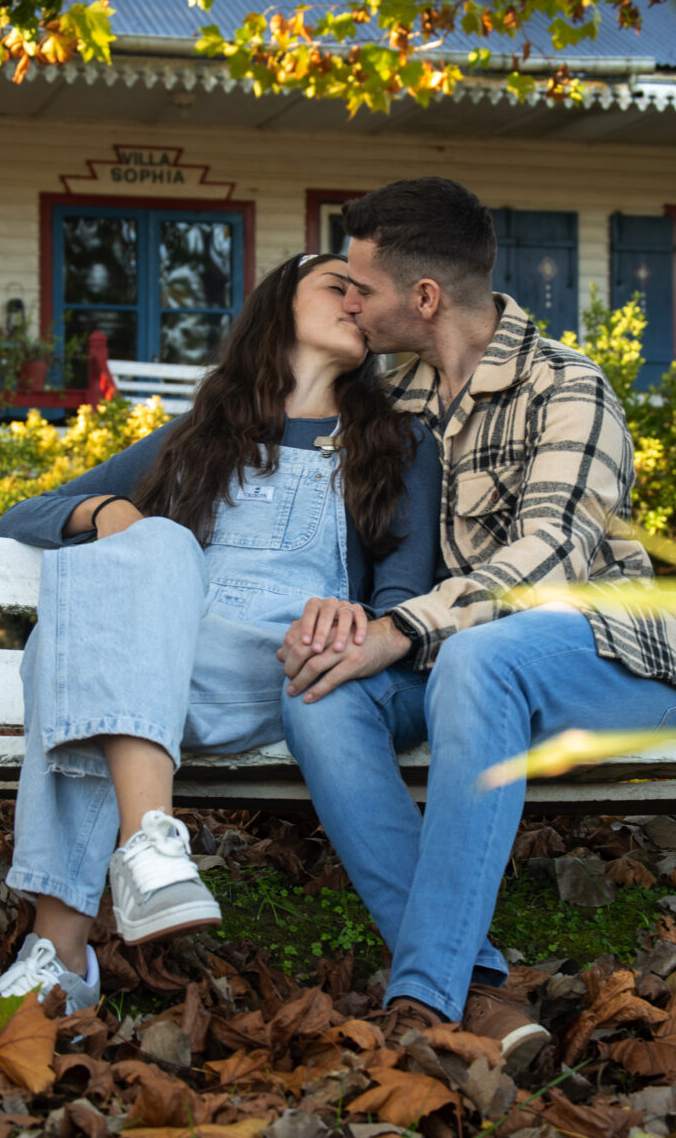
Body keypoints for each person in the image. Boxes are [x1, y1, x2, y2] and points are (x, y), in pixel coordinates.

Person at [279, 178, 676, 1070]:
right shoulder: (397, 398)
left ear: (424, 298)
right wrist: (340, 627)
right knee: (319, 697)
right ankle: (479, 986)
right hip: (460, 662)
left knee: (481, 660)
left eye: (362, 288)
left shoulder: (569, 388)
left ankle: (420, 996)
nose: (351, 302)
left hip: (611, 660)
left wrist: (402, 629)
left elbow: (551, 555)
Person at [0, 252, 442, 1011]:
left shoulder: (396, 444)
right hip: (169, 648)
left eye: (367, 293)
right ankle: (135, 870)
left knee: (80, 657)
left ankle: (66, 941)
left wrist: (359, 618)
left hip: (277, 659)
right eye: (338, 286)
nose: (357, 302)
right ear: (278, 308)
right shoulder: (200, 434)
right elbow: (24, 514)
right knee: (153, 555)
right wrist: (108, 513)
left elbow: (404, 584)